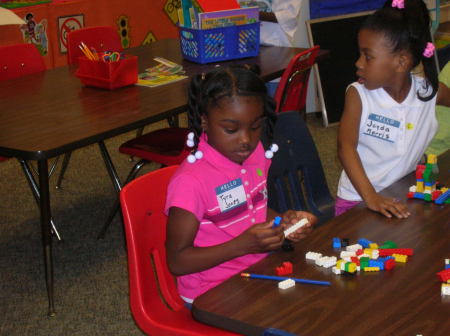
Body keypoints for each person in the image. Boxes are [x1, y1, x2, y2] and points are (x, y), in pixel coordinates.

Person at [165, 65, 317, 304]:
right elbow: (177, 261)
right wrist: (241, 246)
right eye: (230, 129)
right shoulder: (190, 182)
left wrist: (282, 222)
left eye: (255, 127)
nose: (246, 140)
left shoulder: (256, 153)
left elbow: (253, 208)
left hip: (256, 268)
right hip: (210, 291)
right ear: (204, 121)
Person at [336, 0, 450, 218]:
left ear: (401, 62)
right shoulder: (357, 95)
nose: (358, 63)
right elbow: (345, 147)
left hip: (402, 195)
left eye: (368, 56)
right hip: (358, 200)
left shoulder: (428, 92)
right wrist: (371, 198)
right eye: (360, 54)